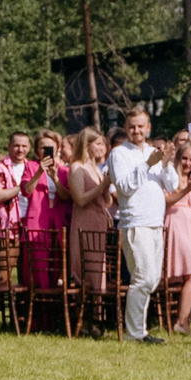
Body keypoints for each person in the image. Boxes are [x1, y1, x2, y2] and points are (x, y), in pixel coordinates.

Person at [106, 110, 174, 344]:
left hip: (156, 222)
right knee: (143, 278)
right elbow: (124, 187)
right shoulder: (118, 154)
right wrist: (147, 164)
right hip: (135, 221)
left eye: (140, 126)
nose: (136, 131)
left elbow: (172, 185)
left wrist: (165, 164)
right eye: (132, 126)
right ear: (126, 127)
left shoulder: (153, 152)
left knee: (152, 279)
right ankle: (134, 333)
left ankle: (139, 330)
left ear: (149, 128)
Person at [161, 131, 191, 334]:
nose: (188, 163)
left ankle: (182, 320)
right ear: (178, 158)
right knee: (185, 273)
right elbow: (166, 200)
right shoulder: (171, 175)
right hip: (176, 223)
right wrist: (187, 189)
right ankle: (178, 320)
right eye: (185, 159)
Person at [67, 128, 115, 302]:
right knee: (88, 266)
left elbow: (107, 202)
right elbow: (80, 199)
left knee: (99, 266)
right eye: (98, 144)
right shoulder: (76, 168)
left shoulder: (95, 167)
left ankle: (97, 316)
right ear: (87, 145)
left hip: (99, 220)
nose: (102, 148)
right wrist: (102, 186)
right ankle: (86, 318)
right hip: (85, 222)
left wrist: (107, 187)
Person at [22, 129, 72, 288]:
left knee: (56, 267)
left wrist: (55, 178)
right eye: (43, 147)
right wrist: (39, 172)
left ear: (57, 149)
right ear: (37, 151)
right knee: (38, 268)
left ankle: (53, 311)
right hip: (37, 220)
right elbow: (26, 190)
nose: (47, 151)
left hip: (57, 221)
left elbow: (66, 196)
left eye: (51, 147)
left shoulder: (64, 170)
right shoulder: (30, 166)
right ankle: (37, 310)